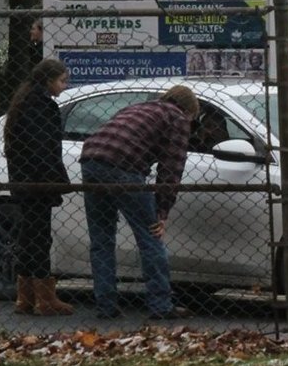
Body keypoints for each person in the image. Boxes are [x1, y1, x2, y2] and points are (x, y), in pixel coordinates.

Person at [78, 85, 201, 320]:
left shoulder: (140, 107)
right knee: (150, 235)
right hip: (123, 167)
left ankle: (106, 305)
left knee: (102, 239)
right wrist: (162, 211)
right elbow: (172, 167)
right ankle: (160, 305)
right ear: (189, 111)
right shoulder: (177, 117)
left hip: (91, 160)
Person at [3, 58, 72, 316]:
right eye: (62, 81)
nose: (64, 86)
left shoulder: (24, 101)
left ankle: (26, 296)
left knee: (29, 236)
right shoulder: (42, 106)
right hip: (37, 180)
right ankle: (44, 298)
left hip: (24, 179)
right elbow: (43, 147)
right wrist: (53, 180)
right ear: (48, 80)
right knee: (40, 236)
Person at [0, 18, 44, 118]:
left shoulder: (41, 50)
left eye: (33, 29)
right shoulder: (34, 47)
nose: (31, 31)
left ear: (41, 31)